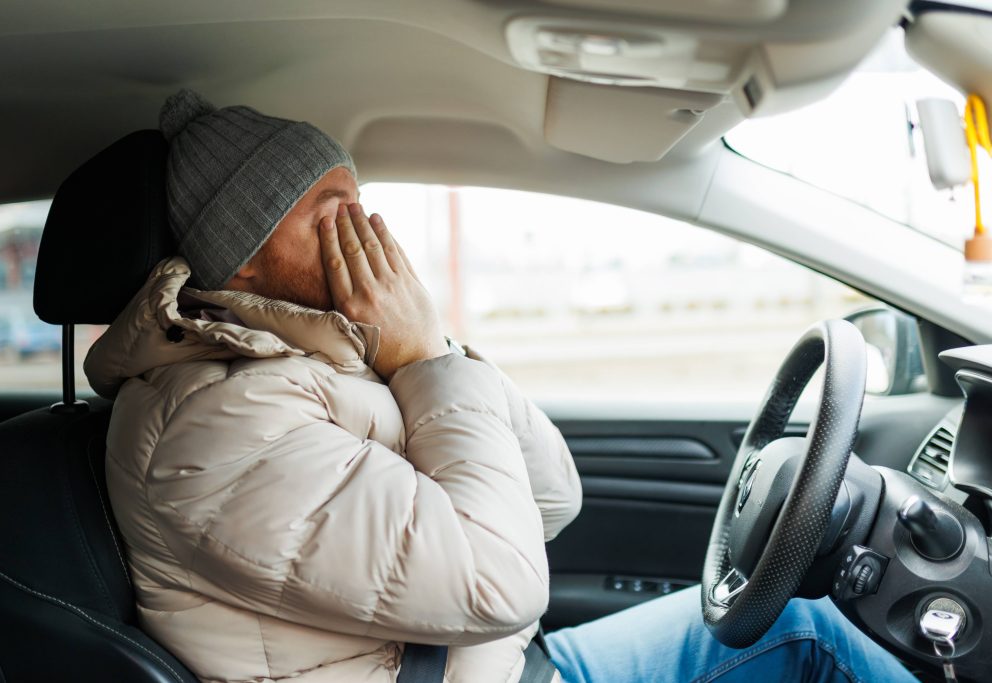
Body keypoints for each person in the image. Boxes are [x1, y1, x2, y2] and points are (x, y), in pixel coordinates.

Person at [85, 89, 918, 683]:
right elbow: (501, 579)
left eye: (360, 201)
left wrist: (430, 345)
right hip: (494, 660)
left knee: (803, 623)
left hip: (521, 661)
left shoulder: (325, 359)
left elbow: (552, 495)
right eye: (329, 210)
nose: (368, 231)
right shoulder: (213, 428)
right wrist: (419, 368)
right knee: (814, 643)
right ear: (243, 260)